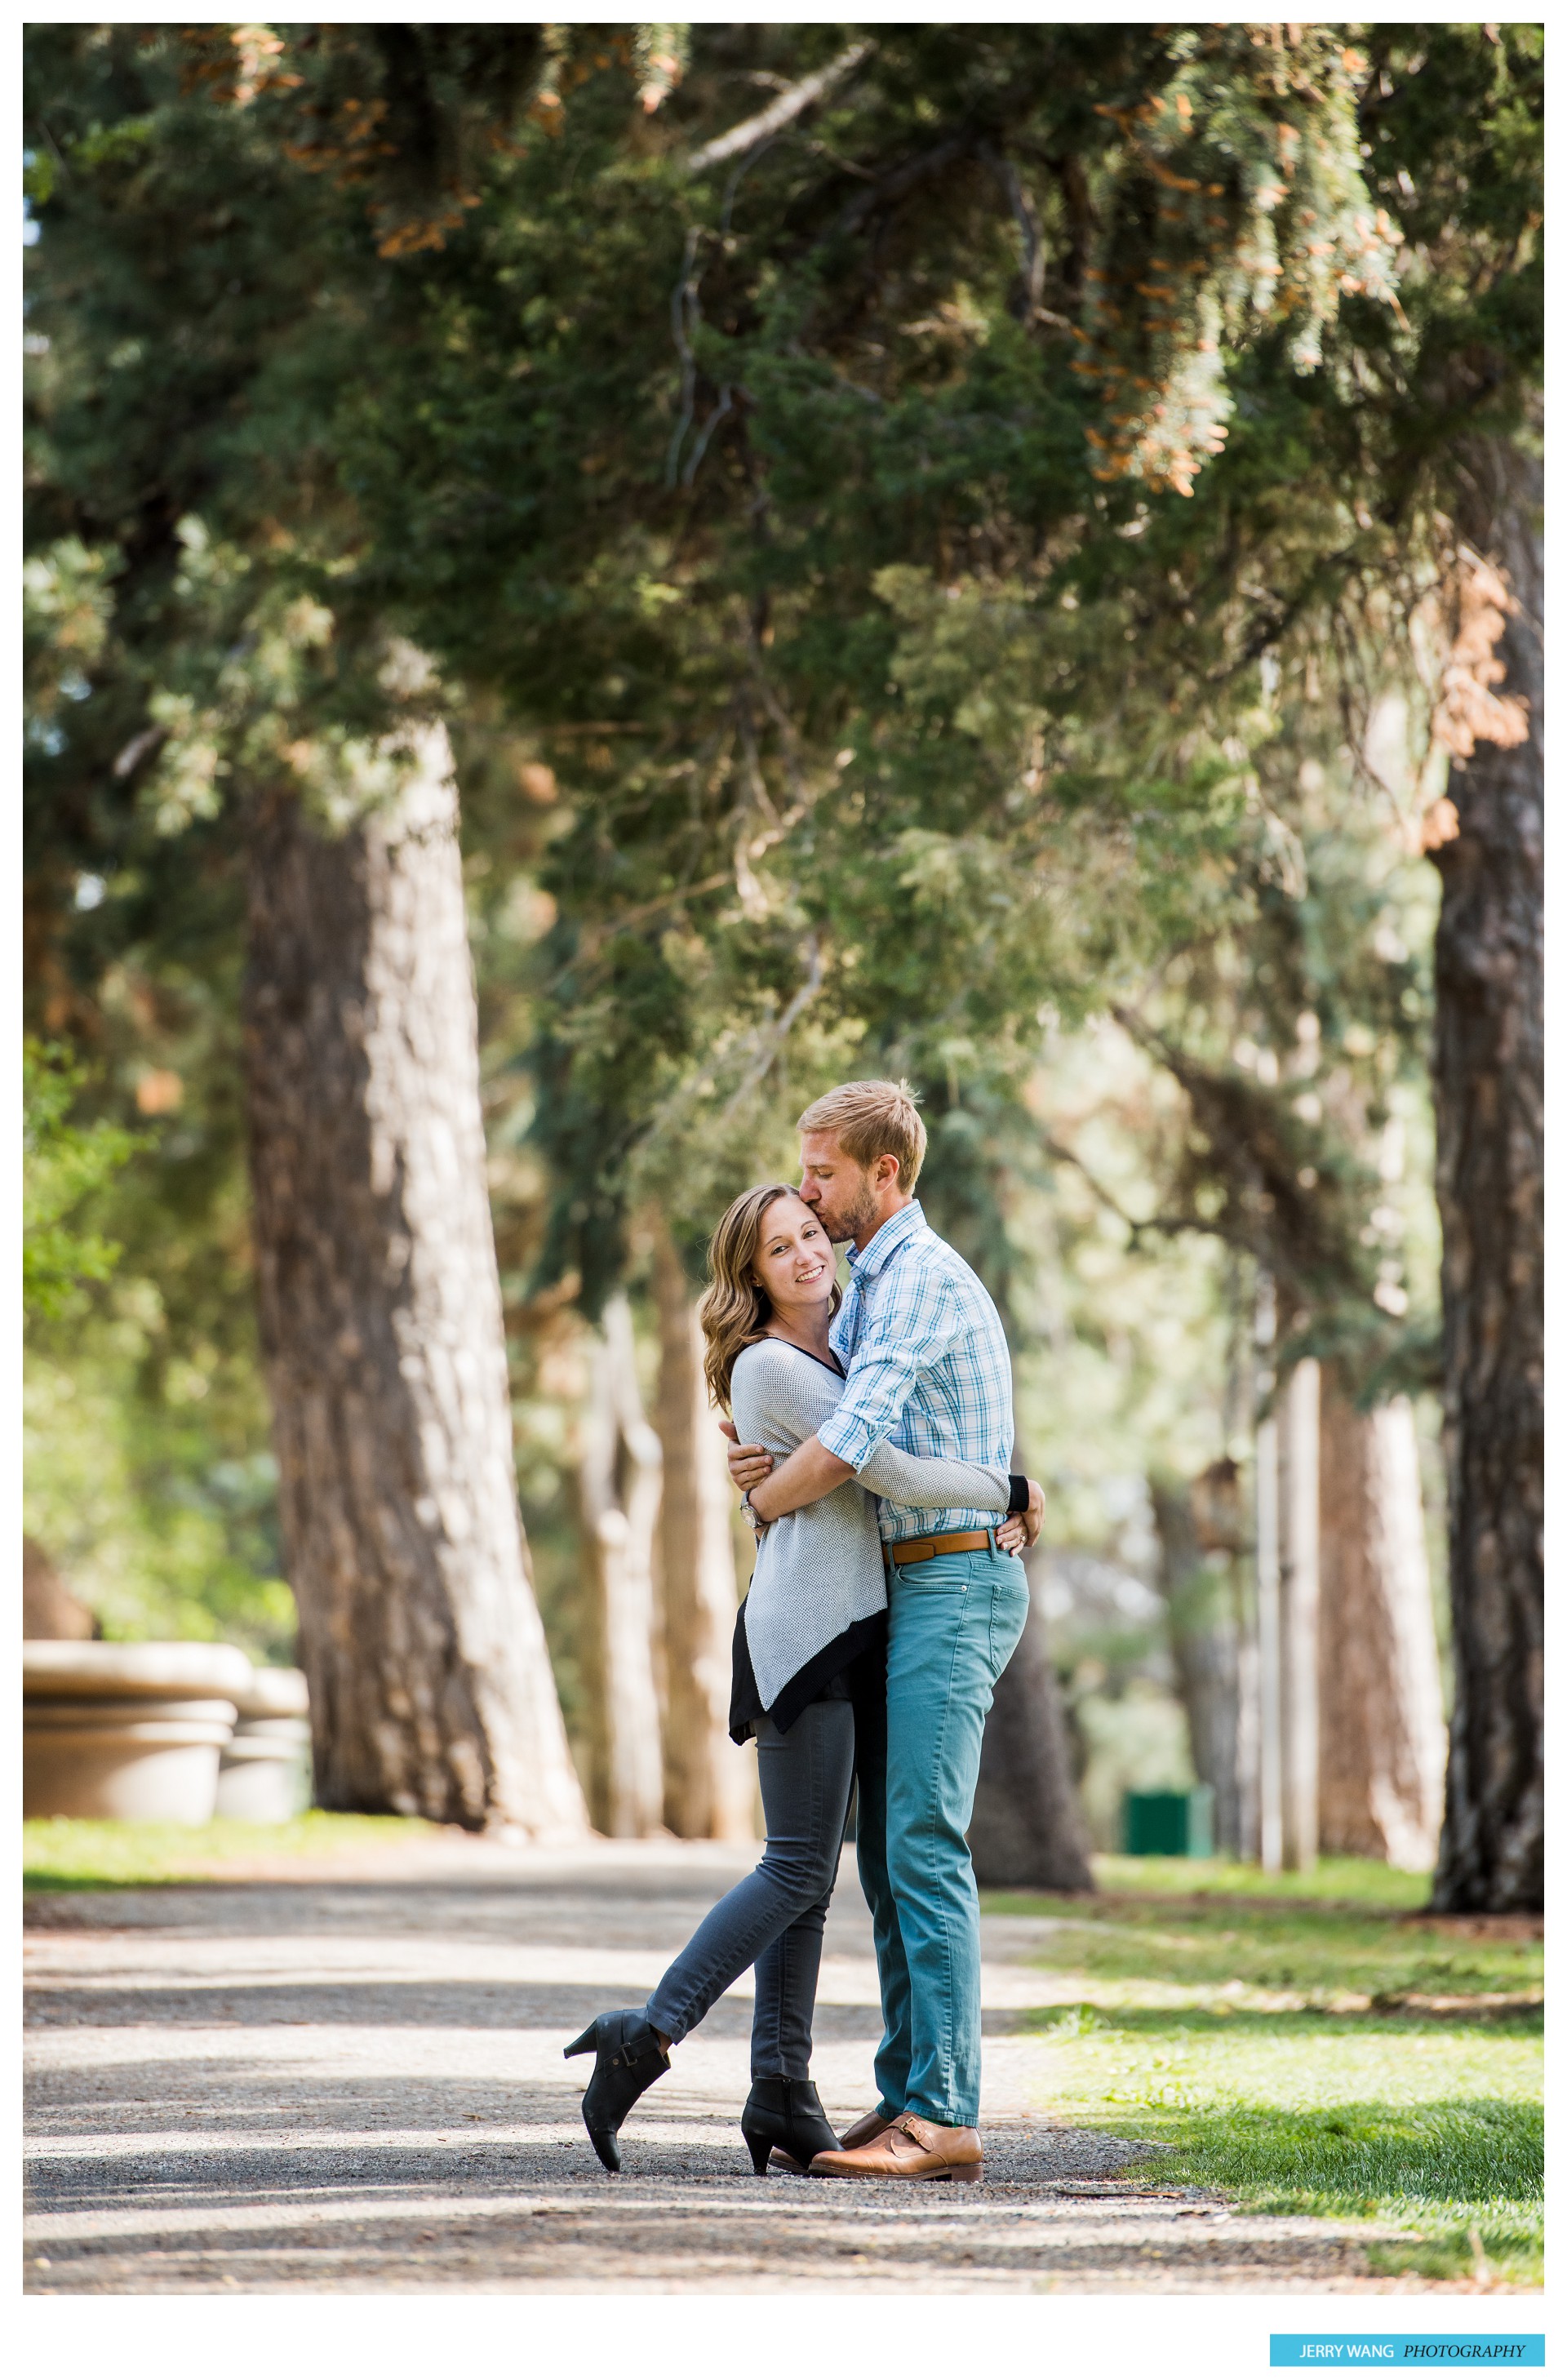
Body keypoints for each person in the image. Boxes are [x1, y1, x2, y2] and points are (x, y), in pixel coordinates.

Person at [565, 1179, 1037, 2176]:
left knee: (812, 1884)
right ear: (753, 1277)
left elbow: (827, 1476)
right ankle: (645, 2035)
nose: (808, 1254)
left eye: (813, 1234)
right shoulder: (777, 1366)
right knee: (793, 1868)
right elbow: (892, 1468)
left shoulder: (843, 1344)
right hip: (809, 1636)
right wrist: (1016, 1488)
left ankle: (781, 2086)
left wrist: (770, 1491)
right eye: (780, 1249)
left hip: (853, 1628)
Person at [726, 1079, 1040, 2184]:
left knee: (921, 1843)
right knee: (885, 1857)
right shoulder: (873, 1285)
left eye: (822, 1175)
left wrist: (764, 1500)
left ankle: (945, 2116)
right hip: (912, 1582)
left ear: (883, 1176)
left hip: (957, 1582)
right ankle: (910, 2092)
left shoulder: (913, 1282)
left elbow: (856, 1443)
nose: (808, 1193)